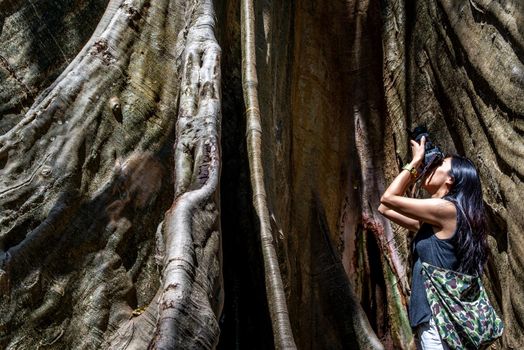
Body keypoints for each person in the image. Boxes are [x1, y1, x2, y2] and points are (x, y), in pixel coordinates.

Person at [378, 136, 489, 350]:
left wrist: (416, 161)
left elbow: (388, 198)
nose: (431, 167)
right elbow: (385, 210)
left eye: (439, 165)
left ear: (451, 180)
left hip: (439, 324)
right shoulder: (435, 220)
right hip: (431, 321)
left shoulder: (447, 210)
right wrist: (414, 174)